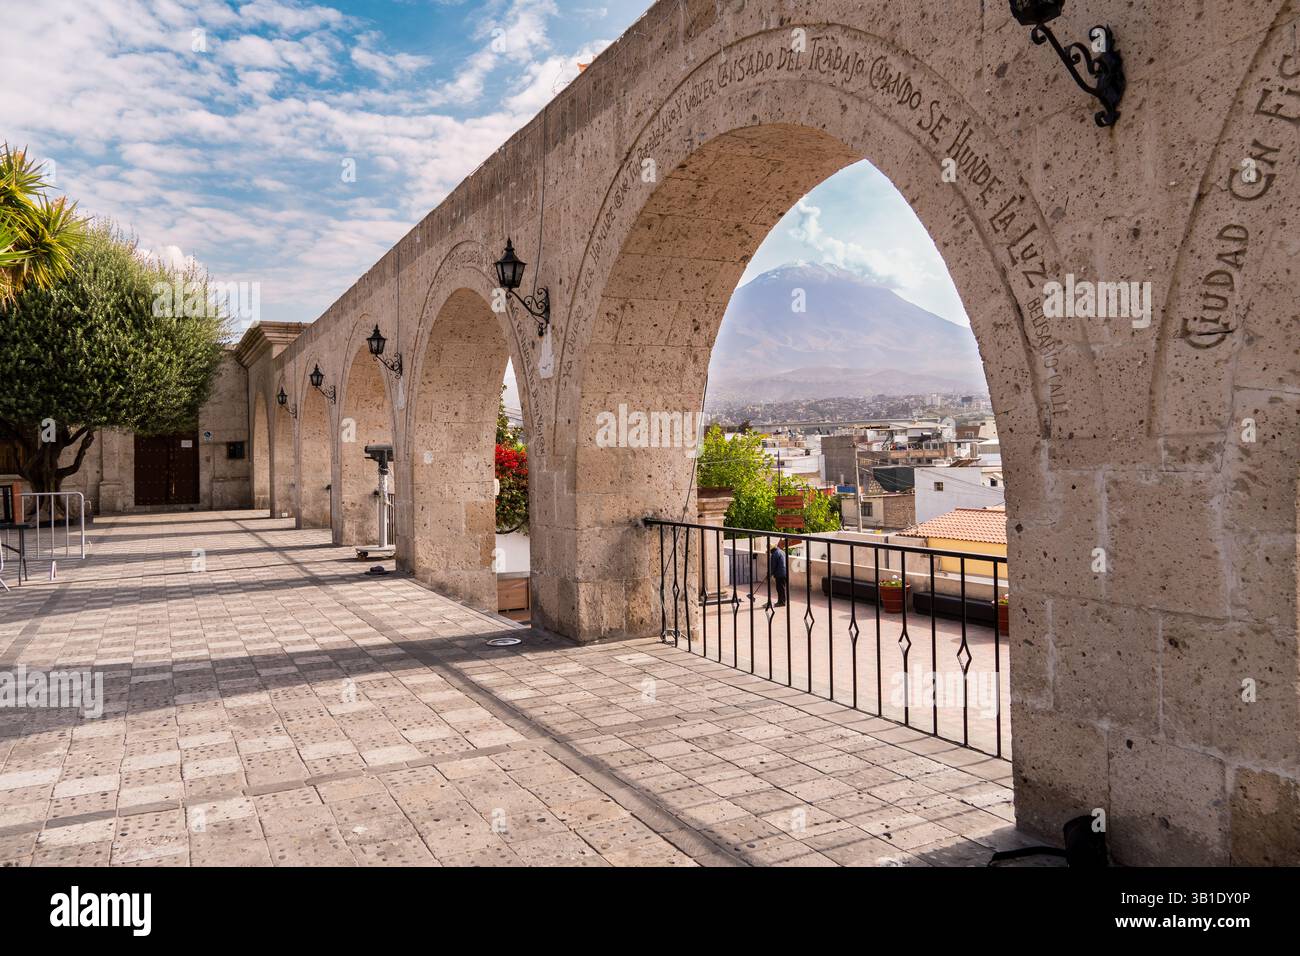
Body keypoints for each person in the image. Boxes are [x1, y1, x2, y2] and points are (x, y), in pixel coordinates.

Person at [769, 542, 788, 608]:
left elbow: (773, 566)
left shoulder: (774, 554)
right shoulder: (782, 552)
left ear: (772, 549)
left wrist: (770, 574)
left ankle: (781, 602)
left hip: (779, 574)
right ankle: (782, 601)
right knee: (782, 588)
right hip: (785, 572)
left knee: (780, 588)